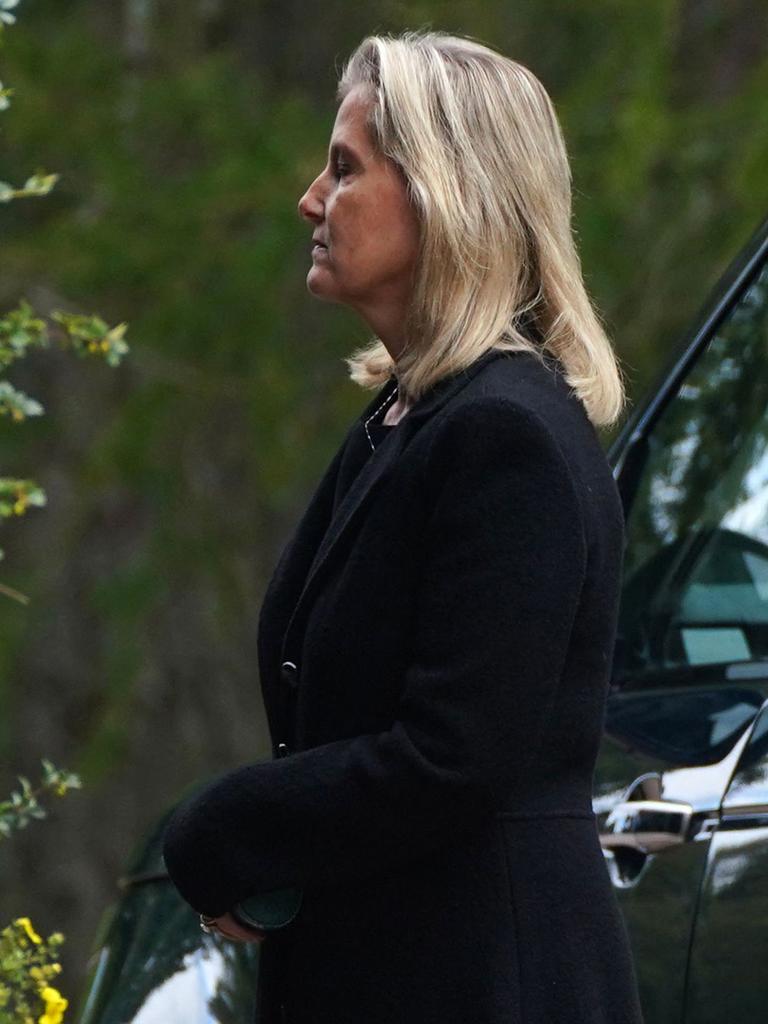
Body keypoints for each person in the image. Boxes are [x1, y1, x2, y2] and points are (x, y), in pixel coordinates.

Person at [162, 29, 645, 1024]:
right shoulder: (411, 420)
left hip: (483, 979)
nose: (311, 199)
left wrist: (234, 824)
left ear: (444, 193)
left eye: (344, 169)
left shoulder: (504, 434)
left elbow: (454, 754)